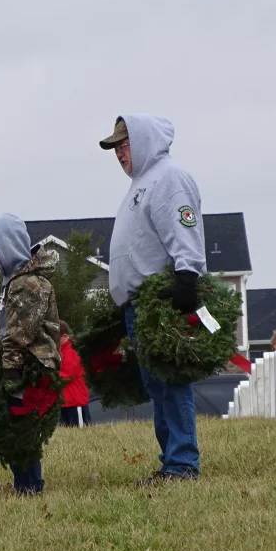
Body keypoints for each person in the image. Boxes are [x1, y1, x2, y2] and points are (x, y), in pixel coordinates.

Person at [100, 114, 205, 484]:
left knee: (171, 382)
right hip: (139, 305)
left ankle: (182, 463)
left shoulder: (169, 178)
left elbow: (184, 226)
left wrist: (187, 277)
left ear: (144, 141)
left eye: (125, 145)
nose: (120, 155)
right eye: (116, 149)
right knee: (157, 386)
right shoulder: (141, 185)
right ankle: (172, 461)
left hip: (161, 301)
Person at [0, 213, 62, 495]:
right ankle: (24, 483)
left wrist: (10, 372)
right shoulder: (13, 280)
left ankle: (30, 485)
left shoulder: (28, 284)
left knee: (22, 426)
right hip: (18, 363)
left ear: (5, 248)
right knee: (15, 425)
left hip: (28, 366)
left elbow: (19, 333)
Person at [57, 320, 92, 427]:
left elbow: (67, 374)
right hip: (65, 402)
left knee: (81, 434)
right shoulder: (61, 351)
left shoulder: (72, 350)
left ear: (64, 335)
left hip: (75, 401)